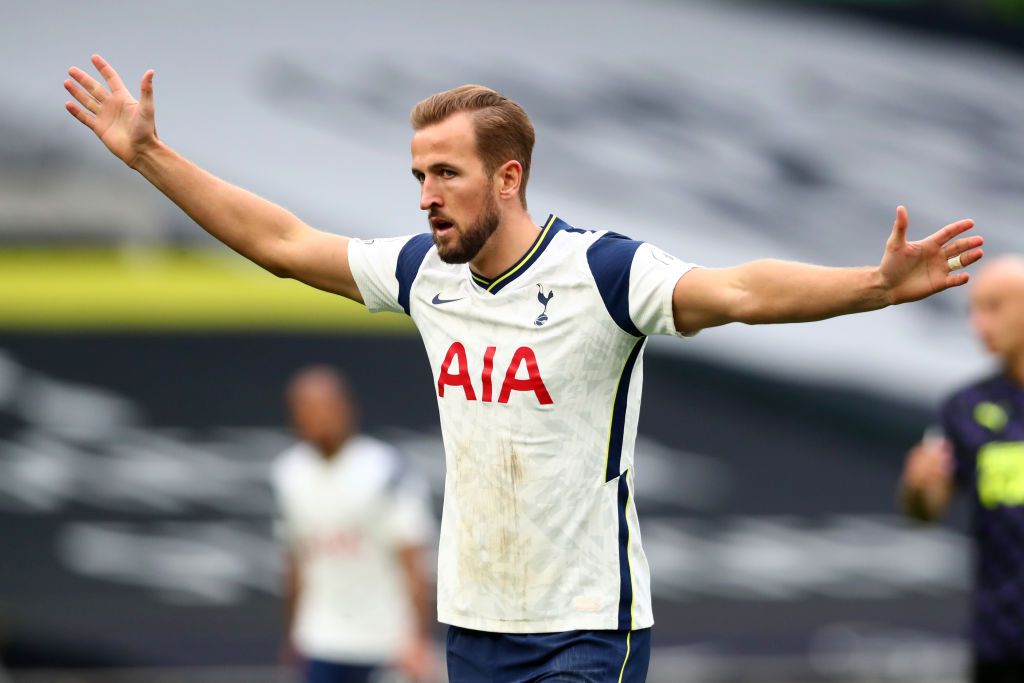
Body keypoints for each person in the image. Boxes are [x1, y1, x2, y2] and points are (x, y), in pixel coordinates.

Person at [64, 54, 984, 682]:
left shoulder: (603, 272)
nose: (425, 196)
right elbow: (282, 242)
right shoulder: (426, 272)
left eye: (447, 174)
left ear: (508, 179)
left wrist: (872, 284)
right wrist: (148, 154)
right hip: (475, 621)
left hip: (587, 623)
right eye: (418, 174)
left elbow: (738, 288)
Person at [900, 257, 1024, 683]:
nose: (978, 324)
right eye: (974, 309)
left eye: (994, 307)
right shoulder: (965, 407)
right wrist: (918, 487)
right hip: (1001, 638)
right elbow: (926, 510)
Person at [272, 366, 435, 683]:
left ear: (346, 409)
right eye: (304, 409)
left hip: (384, 638)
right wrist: (293, 631)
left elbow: (413, 557)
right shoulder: (287, 473)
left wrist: (417, 638)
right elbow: (294, 560)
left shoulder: (385, 468)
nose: (315, 417)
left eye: (323, 407)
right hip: (320, 637)